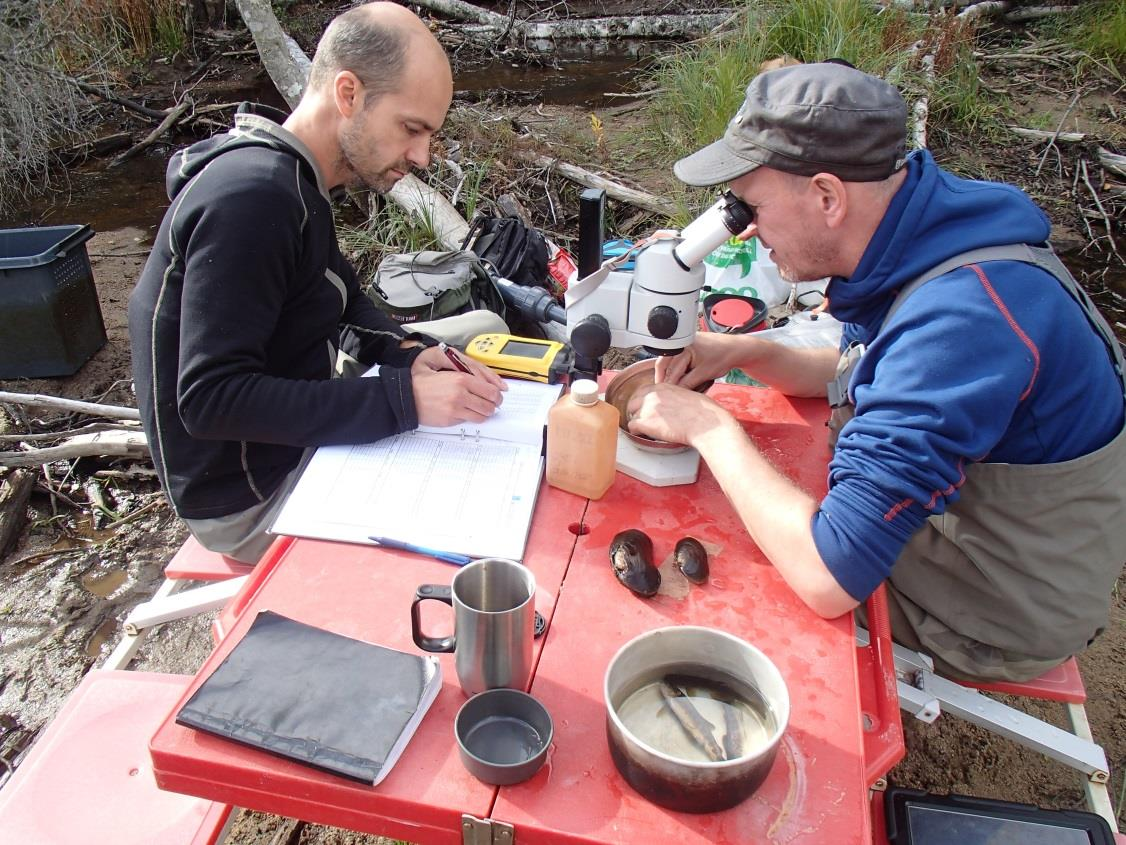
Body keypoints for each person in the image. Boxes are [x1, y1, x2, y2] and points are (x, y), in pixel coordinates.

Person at [628, 62, 1126, 682]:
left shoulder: (963, 323)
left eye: (753, 206)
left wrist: (709, 427)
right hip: (987, 539)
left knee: (727, 576)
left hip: (998, 610)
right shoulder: (929, 225)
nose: (749, 232)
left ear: (829, 197)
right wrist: (742, 353)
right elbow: (869, 372)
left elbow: (828, 576)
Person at [128, 2, 507, 564]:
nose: (421, 156)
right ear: (348, 93)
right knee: (479, 524)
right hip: (249, 496)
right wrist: (401, 401)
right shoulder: (253, 200)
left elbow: (338, 300)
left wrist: (405, 355)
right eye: (411, 129)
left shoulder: (299, 181)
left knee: (482, 328)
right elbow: (209, 400)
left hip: (283, 449)